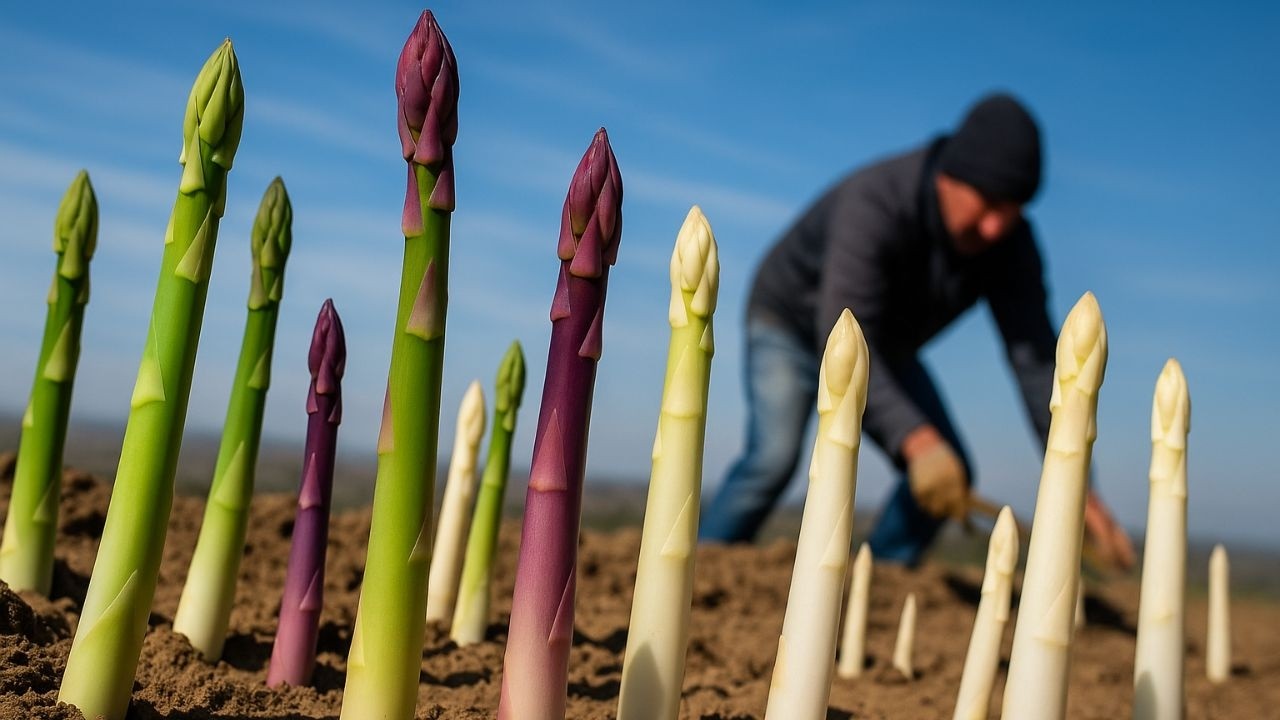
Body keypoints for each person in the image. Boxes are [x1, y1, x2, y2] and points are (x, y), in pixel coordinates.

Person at [700, 93, 1135, 569]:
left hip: (884, 344)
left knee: (948, 475)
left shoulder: (1010, 249)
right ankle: (702, 566)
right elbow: (842, 325)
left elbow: (1035, 366)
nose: (994, 227)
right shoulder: (877, 201)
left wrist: (1082, 491)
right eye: (987, 202)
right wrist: (917, 440)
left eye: (1011, 209)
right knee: (773, 459)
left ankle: (873, 582)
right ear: (950, 176)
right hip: (795, 324)